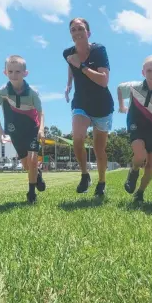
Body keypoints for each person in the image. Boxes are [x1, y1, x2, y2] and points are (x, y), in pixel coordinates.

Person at [63, 17, 114, 196]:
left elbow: (103, 81)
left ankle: (101, 181)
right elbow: (71, 66)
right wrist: (69, 84)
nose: (77, 32)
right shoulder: (68, 53)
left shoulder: (99, 50)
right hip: (81, 102)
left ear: (88, 33)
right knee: (78, 138)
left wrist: (82, 66)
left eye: (81, 29)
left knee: (99, 149)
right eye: (73, 30)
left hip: (102, 106)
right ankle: (85, 175)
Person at [0, 55, 46, 203]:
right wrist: (0, 128)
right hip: (14, 131)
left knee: (32, 160)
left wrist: (41, 129)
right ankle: (37, 174)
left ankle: (31, 194)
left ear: (25, 73)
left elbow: (41, 112)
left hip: (32, 128)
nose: (14, 75)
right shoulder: (1, 92)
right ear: (5, 72)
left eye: (18, 72)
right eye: (10, 71)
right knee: (27, 165)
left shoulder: (33, 92)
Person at [117, 55, 152, 203]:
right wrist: (122, 106)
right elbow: (119, 89)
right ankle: (133, 170)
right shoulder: (134, 87)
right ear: (143, 72)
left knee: (151, 166)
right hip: (136, 125)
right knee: (140, 155)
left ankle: (140, 193)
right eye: (149, 71)